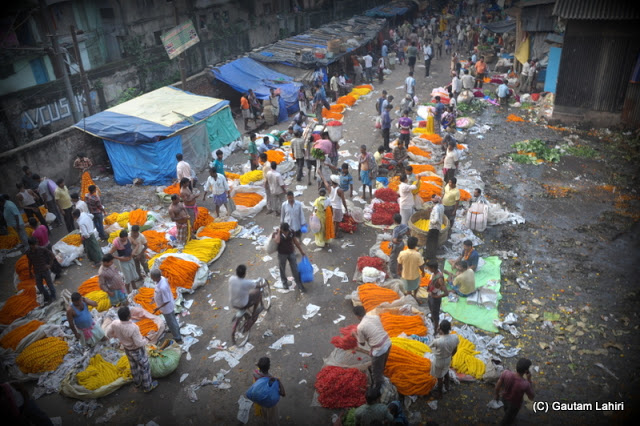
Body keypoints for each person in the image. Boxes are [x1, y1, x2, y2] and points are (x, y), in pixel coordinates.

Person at [107, 306, 158, 393]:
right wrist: (147, 339)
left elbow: (108, 333)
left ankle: (137, 382)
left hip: (127, 349)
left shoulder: (115, 323)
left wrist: (118, 336)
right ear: (128, 316)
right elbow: (138, 343)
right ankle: (147, 386)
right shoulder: (133, 327)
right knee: (144, 367)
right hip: (137, 350)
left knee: (133, 365)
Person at [353, 305, 391, 394]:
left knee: (376, 372)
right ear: (365, 311)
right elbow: (375, 331)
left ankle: (377, 388)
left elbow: (362, 343)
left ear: (357, 316)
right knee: (383, 361)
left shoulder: (360, 326)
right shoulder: (375, 317)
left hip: (379, 349)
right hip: (388, 342)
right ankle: (382, 370)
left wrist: (355, 335)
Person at [495, 358, 535, 425]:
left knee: (506, 410)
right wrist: (529, 380)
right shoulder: (525, 384)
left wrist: (496, 394)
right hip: (515, 404)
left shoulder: (506, 373)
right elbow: (531, 397)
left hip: (504, 398)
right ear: (526, 371)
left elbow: (498, 385)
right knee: (507, 419)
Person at [149, 269, 183, 344]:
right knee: (171, 320)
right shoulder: (161, 279)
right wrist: (154, 298)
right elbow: (159, 293)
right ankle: (174, 330)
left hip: (166, 308)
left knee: (171, 321)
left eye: (152, 277)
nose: (151, 278)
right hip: (164, 307)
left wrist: (157, 308)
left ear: (156, 277)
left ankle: (177, 337)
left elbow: (166, 300)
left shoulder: (163, 287)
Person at [273, 222, 307, 292]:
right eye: (284, 232)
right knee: (282, 268)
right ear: (281, 229)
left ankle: (299, 283)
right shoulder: (277, 233)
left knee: (295, 268)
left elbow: (295, 242)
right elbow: (276, 241)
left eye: (287, 231)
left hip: (291, 252)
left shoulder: (291, 232)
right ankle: (284, 283)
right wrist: (278, 232)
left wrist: (301, 251)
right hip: (282, 254)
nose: (286, 233)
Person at [429, 319, 459, 398]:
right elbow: (455, 349)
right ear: (449, 328)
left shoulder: (438, 341)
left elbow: (430, 345)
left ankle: (440, 394)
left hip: (439, 361)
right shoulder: (455, 337)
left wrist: (437, 331)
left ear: (440, 329)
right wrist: (451, 356)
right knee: (446, 371)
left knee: (439, 378)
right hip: (448, 358)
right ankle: (447, 386)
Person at [252, 357, 286, 425]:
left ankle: (266, 421)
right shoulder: (271, 379)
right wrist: (279, 382)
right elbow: (283, 393)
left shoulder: (255, 373)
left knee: (265, 413)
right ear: (269, 367)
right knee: (273, 416)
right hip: (270, 402)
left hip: (261, 398)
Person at [25, 237, 56, 304]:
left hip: (45, 270)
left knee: (50, 284)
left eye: (36, 244)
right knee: (39, 286)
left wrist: (50, 265)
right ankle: (47, 296)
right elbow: (30, 262)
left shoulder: (42, 249)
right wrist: (30, 271)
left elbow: (52, 255)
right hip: (37, 272)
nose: (36, 246)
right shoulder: (28, 253)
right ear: (30, 245)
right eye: (34, 245)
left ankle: (53, 296)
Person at [397, 236, 425, 303]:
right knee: (416, 286)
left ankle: (409, 296)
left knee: (408, 287)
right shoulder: (417, 255)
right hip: (415, 275)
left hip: (405, 275)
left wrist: (399, 271)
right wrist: (423, 272)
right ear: (415, 245)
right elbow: (421, 265)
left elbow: (399, 264)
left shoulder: (402, 253)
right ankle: (414, 296)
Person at [425, 260, 446, 332]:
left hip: (435, 298)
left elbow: (446, 292)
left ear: (433, 268)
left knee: (435, 314)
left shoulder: (439, 279)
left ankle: (436, 328)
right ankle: (433, 319)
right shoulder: (434, 273)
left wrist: (437, 297)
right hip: (431, 295)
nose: (428, 270)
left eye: (429, 268)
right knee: (432, 311)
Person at [425, 195, 444, 261]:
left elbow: (436, 219)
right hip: (438, 227)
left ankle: (429, 256)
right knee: (434, 242)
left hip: (433, 228)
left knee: (430, 242)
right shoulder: (441, 206)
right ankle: (433, 256)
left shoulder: (436, 208)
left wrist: (431, 221)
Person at [389, 213, 408, 279]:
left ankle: (394, 274)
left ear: (394, 221)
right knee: (399, 257)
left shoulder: (396, 229)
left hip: (397, 245)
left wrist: (396, 242)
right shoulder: (404, 226)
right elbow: (408, 231)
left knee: (393, 260)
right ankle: (401, 270)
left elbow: (394, 240)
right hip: (402, 244)